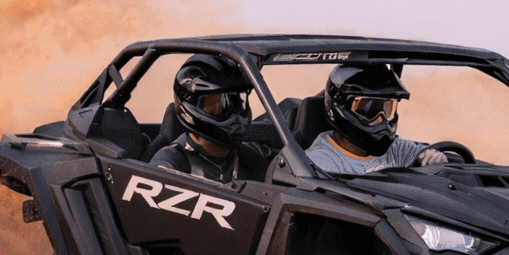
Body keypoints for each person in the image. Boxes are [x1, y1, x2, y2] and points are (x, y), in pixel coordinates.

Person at [304, 63, 449, 174]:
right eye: (369, 109)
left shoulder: (393, 149)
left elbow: (421, 153)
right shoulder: (320, 160)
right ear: (340, 107)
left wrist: (431, 158)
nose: (381, 119)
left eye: (387, 109)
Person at [150, 54, 274, 182]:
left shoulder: (250, 156)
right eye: (215, 104)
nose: (233, 113)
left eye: (237, 101)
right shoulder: (171, 161)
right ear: (191, 105)